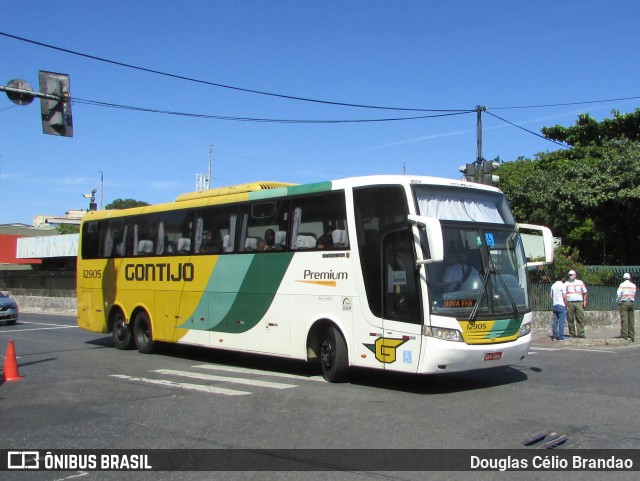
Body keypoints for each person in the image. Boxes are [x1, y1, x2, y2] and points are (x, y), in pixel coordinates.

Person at [565, 269, 588, 338]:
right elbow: (564, 294)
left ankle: (581, 333)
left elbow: (585, 292)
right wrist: (566, 303)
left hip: (578, 302)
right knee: (570, 318)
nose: (570, 276)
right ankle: (572, 333)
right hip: (570, 303)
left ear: (575, 275)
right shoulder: (566, 283)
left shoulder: (580, 282)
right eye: (569, 275)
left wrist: (584, 301)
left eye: (572, 275)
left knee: (580, 318)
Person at [616, 272, 636, 342]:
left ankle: (624, 335)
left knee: (624, 319)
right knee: (631, 319)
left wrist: (618, 301)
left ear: (624, 278)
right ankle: (632, 334)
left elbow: (618, 294)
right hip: (631, 303)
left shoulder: (622, 285)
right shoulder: (633, 285)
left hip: (624, 303)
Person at [550, 274, 568, 341]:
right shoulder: (562, 285)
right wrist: (566, 304)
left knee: (555, 321)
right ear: (562, 278)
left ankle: (554, 336)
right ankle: (561, 337)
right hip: (561, 304)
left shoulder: (553, 285)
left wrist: (554, 300)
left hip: (555, 304)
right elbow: (564, 296)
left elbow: (551, 295)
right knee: (561, 321)